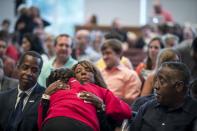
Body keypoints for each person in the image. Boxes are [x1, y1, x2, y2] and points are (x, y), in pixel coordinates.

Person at [38, 61, 131, 131]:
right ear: (73, 77)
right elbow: (40, 119)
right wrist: (46, 95)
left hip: (83, 126)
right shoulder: (59, 87)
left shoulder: (102, 92)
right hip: (53, 123)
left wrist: (101, 105)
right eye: (78, 71)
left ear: (95, 76)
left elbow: (125, 111)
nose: (83, 73)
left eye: (88, 70)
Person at [130, 61, 197, 131]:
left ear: (179, 86)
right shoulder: (147, 107)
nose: (156, 86)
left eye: (162, 81)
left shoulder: (194, 113)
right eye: (156, 80)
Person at [0, 51, 45, 131]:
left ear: (39, 73)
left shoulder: (44, 98)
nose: (28, 73)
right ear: (18, 67)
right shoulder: (3, 98)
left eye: (34, 70)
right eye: (25, 68)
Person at [100, 39, 141, 104]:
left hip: (117, 110)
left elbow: (131, 102)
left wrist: (107, 99)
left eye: (108, 53)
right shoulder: (99, 73)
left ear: (118, 53)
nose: (105, 57)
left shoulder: (130, 75)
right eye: (103, 54)